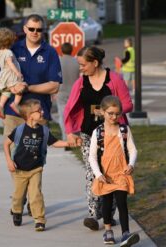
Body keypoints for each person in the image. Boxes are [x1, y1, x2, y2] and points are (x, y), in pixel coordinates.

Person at [64, 46, 133, 231]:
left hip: (112, 136)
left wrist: (111, 112)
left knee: (112, 173)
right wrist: (70, 131)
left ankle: (108, 215)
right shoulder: (81, 82)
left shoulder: (114, 80)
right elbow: (70, 107)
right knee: (92, 172)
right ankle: (94, 215)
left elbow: (127, 104)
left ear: (95, 63)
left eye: (83, 64)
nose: (81, 68)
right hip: (88, 134)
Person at [3, 99, 73, 232]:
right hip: (19, 169)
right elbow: (6, 144)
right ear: (30, 115)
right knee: (18, 195)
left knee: (36, 195)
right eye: (39, 110)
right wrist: (9, 161)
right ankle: (17, 211)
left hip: (36, 168)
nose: (42, 112)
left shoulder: (44, 131)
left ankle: (39, 220)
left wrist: (68, 143)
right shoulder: (19, 130)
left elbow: (54, 142)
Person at [0, 14, 62, 138]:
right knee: (12, 154)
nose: (35, 32)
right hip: (13, 115)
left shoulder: (50, 52)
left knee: (37, 156)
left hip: (39, 115)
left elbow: (54, 86)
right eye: (31, 29)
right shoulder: (12, 49)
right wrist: (12, 88)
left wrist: (27, 88)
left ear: (43, 31)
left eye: (39, 29)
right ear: (25, 29)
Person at [89, 96, 139, 246]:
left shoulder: (124, 130)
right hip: (105, 174)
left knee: (122, 202)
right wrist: (98, 175)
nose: (114, 117)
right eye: (110, 113)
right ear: (103, 112)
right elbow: (92, 156)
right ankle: (108, 231)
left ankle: (125, 233)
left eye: (117, 114)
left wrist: (131, 164)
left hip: (121, 173)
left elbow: (133, 149)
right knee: (107, 202)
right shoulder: (98, 132)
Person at [0, 27, 25, 118]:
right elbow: (10, 63)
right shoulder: (8, 52)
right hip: (11, 75)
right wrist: (17, 73)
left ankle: (1, 106)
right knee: (19, 89)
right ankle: (15, 103)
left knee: (6, 93)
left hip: (3, 76)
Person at [57, 42, 80, 142]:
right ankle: (74, 136)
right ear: (72, 50)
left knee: (63, 116)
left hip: (61, 92)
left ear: (61, 50)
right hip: (74, 92)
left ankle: (66, 138)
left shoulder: (58, 62)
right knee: (74, 115)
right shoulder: (77, 62)